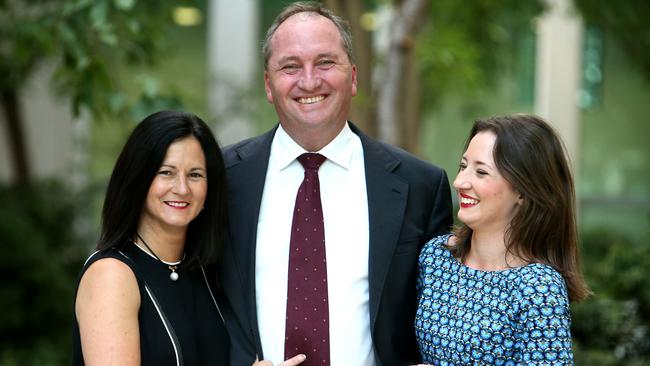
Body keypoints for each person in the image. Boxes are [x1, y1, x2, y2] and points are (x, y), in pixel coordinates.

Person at [220, 2, 453, 365]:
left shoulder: (420, 186)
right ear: (268, 84)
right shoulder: (221, 178)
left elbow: (439, 321)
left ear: (354, 77)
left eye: (325, 62)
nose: (309, 80)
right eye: (290, 66)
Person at [415, 114, 591, 365]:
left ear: (522, 191)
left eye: (481, 172)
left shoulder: (538, 288)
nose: (460, 181)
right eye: (463, 166)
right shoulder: (436, 257)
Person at [72, 111, 230, 365]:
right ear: (138, 179)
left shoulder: (204, 271)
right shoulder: (111, 275)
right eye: (166, 172)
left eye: (195, 174)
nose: (182, 188)